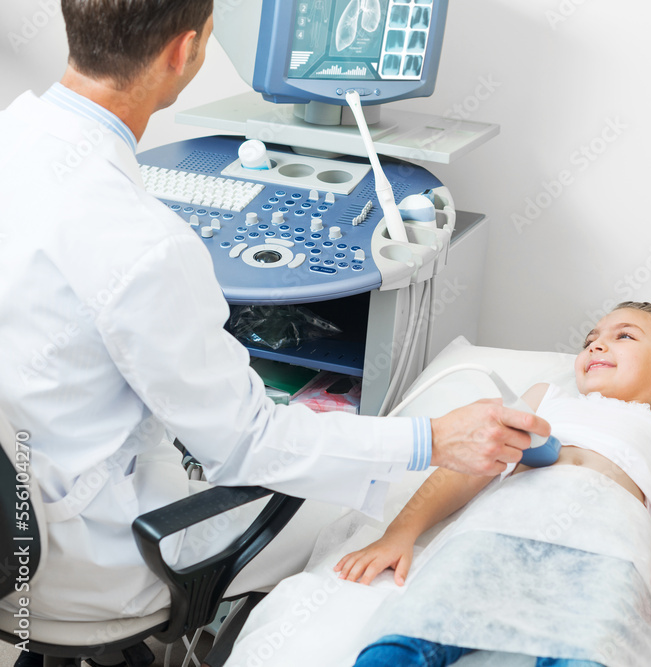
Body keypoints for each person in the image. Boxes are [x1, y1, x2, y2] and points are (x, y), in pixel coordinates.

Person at [0, 0, 547, 639]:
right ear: (184, 52)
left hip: (18, 539)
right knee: (368, 510)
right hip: (93, 573)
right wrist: (433, 440)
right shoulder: (147, 244)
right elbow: (246, 446)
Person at [334, 302, 651, 667]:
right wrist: (401, 532)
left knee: (592, 652)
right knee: (407, 636)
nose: (597, 342)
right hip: (500, 530)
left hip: (608, 552)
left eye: (624, 335)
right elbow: (466, 466)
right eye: (590, 339)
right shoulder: (547, 398)